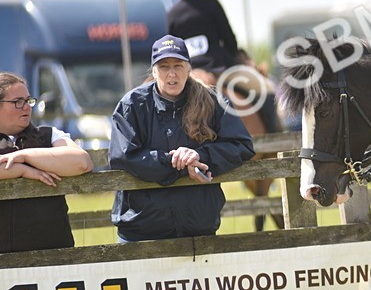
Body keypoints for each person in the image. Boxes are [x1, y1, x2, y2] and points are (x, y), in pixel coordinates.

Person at [109, 35, 255, 242]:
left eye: (178, 65)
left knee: (266, 98)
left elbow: (242, 145)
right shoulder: (132, 105)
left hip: (197, 229)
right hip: (140, 232)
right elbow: (123, 156)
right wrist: (175, 162)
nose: (172, 74)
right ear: (154, 71)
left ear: (188, 69)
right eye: (164, 67)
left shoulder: (212, 101)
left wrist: (200, 156)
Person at [166, 0, 278, 129]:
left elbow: (173, 51)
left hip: (189, 73)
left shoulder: (172, 13)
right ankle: (276, 136)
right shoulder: (211, 5)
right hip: (221, 69)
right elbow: (230, 41)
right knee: (266, 92)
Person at [0, 72, 93, 252]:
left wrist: (25, 156)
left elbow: (82, 162)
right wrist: (25, 171)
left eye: (28, 101)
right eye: (17, 102)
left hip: (53, 251)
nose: (26, 107)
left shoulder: (49, 135)